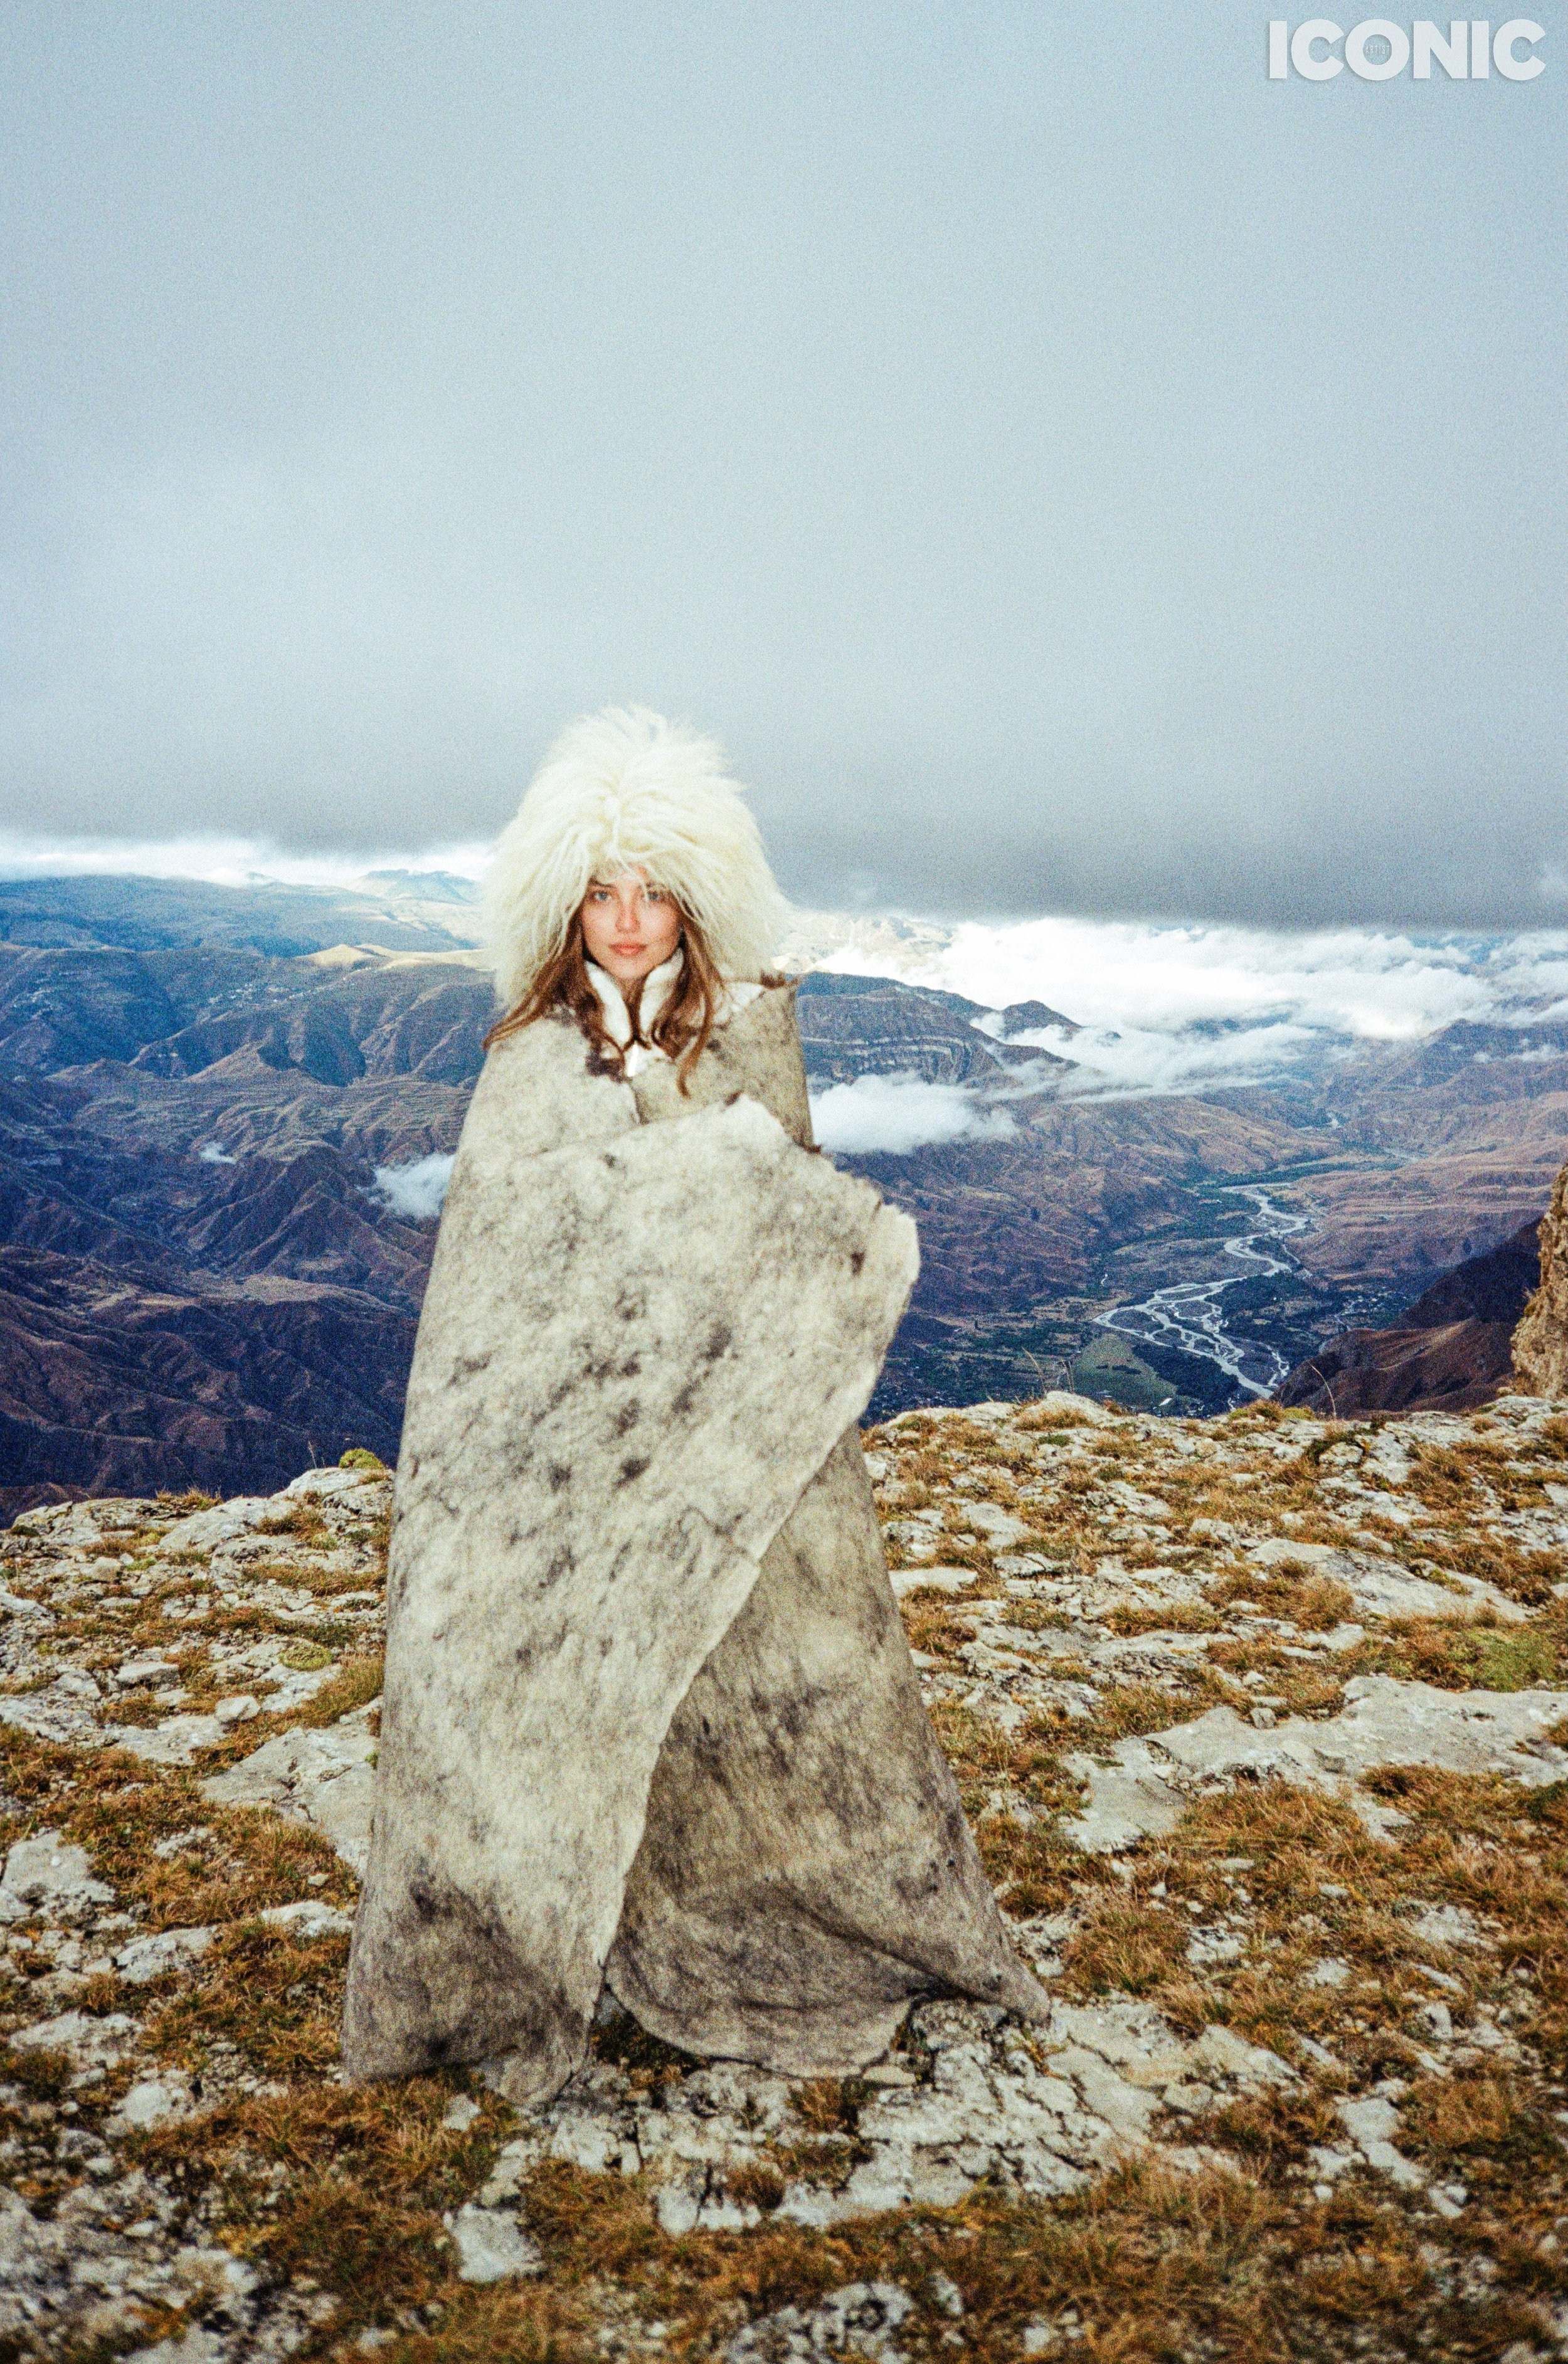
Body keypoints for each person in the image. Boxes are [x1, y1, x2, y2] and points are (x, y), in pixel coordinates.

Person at [341, 707, 1044, 2107]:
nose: (623, 919)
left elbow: (774, 1221)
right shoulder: (527, 1056)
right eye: (598, 891)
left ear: (695, 895)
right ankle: (501, 1955)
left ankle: (802, 1908)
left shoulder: (745, 1033)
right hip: (563, 1451)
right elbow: (495, 1282)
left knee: (797, 1676)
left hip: (737, 1432)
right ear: (560, 901)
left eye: (650, 888)